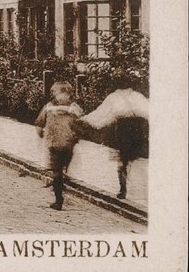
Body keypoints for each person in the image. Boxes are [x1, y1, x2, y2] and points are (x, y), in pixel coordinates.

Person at [77, 71, 149, 199]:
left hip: (123, 129)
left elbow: (102, 114)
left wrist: (86, 119)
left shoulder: (114, 97)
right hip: (136, 129)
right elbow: (148, 112)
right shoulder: (137, 96)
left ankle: (124, 188)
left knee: (123, 160)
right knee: (135, 159)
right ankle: (133, 187)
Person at [35, 81, 84, 210]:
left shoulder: (49, 107)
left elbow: (39, 125)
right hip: (68, 145)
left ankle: (58, 199)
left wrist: (42, 134)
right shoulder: (74, 108)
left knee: (56, 172)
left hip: (54, 144)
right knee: (62, 169)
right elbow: (82, 125)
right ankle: (62, 184)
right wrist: (76, 135)